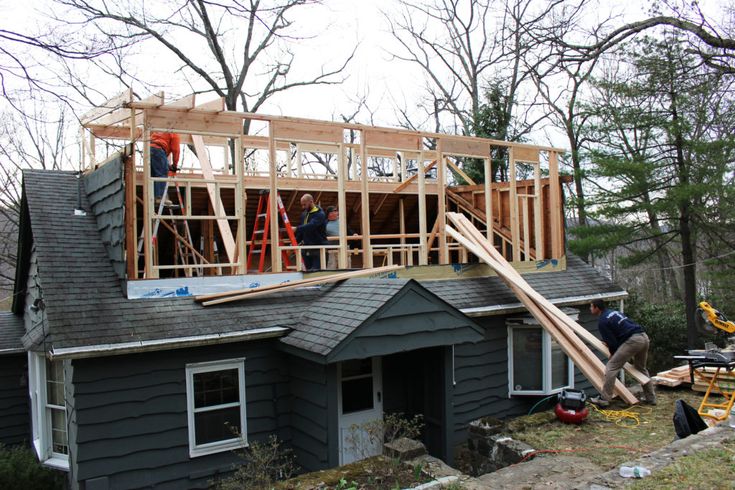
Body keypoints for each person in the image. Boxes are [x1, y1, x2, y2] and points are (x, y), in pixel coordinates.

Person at [589, 299, 656, 407]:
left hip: (633, 341)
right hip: (643, 337)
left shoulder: (602, 321)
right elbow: (622, 331)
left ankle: (604, 399)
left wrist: (613, 355)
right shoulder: (613, 312)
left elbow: (613, 343)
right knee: (641, 368)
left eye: (591, 307)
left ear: (597, 308)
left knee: (611, 367)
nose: (590, 309)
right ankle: (651, 398)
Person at [294, 194, 327, 271]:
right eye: (302, 205)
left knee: (316, 272)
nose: (303, 207)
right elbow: (302, 232)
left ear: (311, 202)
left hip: (318, 248)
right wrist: (294, 243)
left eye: (304, 205)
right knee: (308, 271)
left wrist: (296, 229)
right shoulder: (304, 214)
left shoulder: (320, 214)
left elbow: (311, 226)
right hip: (307, 248)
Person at [150, 132, 181, 206]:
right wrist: (175, 165)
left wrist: (167, 165)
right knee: (162, 174)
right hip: (158, 149)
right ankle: (159, 197)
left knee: (154, 174)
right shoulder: (175, 133)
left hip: (148, 149)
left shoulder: (161, 130)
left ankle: (153, 197)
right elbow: (176, 150)